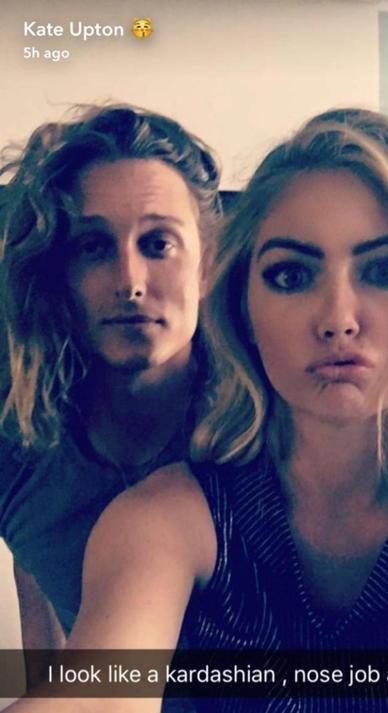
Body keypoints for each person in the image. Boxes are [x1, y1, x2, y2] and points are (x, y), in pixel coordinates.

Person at [6, 108, 388, 712]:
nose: (339, 319)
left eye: (386, 270)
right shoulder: (162, 518)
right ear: (243, 303)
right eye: (291, 275)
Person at [0, 104, 220, 663]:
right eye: (93, 247)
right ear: (59, 274)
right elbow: (37, 575)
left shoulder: (264, 424)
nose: (130, 281)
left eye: (158, 243)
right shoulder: (21, 436)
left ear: (207, 264)